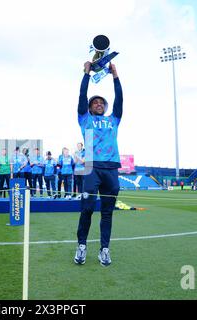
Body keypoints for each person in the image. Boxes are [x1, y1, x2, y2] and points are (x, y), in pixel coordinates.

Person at [74, 61, 123, 267]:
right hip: (91, 166)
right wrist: (86, 73)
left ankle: (104, 249)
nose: (99, 104)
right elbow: (82, 95)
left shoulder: (114, 119)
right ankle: (82, 245)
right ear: (89, 106)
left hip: (111, 168)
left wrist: (116, 76)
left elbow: (120, 99)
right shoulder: (85, 119)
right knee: (87, 209)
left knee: (107, 212)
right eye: (95, 102)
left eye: (101, 102)